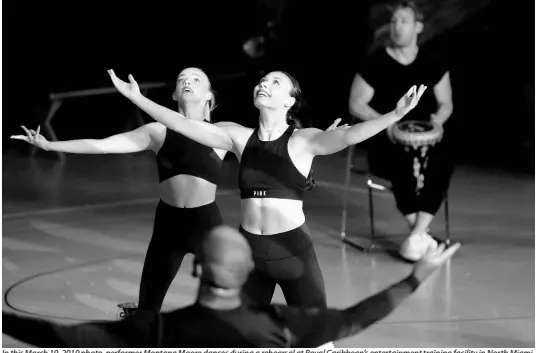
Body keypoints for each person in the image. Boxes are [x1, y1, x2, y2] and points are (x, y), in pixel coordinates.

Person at [106, 68, 427, 311]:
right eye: (263, 81)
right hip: (252, 256)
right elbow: (181, 124)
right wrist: (136, 97)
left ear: (289, 101)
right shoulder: (239, 138)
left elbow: (351, 135)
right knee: (240, 336)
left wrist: (396, 114)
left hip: (294, 253)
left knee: (316, 336)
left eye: (275, 83)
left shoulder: (304, 139)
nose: (264, 84)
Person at [2, 224, 461, 348]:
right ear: (247, 276)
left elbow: (61, 336)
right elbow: (356, 318)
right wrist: (417, 276)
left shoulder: (156, 331)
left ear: (195, 269)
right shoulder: (287, 327)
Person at [10, 67, 228, 312]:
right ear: (175, 96)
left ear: (209, 96)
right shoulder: (157, 132)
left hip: (206, 224)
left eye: (196, 79)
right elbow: (103, 145)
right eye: (182, 79)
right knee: (148, 306)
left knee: (223, 302)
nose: (187, 81)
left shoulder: (223, 133)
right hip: (169, 225)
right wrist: (49, 145)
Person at [348, 1, 455, 262]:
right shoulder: (376, 62)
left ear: (418, 27)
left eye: (403, 21)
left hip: (426, 135)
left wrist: (436, 124)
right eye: (394, 21)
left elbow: (446, 103)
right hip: (388, 135)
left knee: (445, 157)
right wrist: (388, 124)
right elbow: (356, 104)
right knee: (399, 162)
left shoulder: (432, 61)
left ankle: (417, 235)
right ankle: (421, 236)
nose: (396, 27)